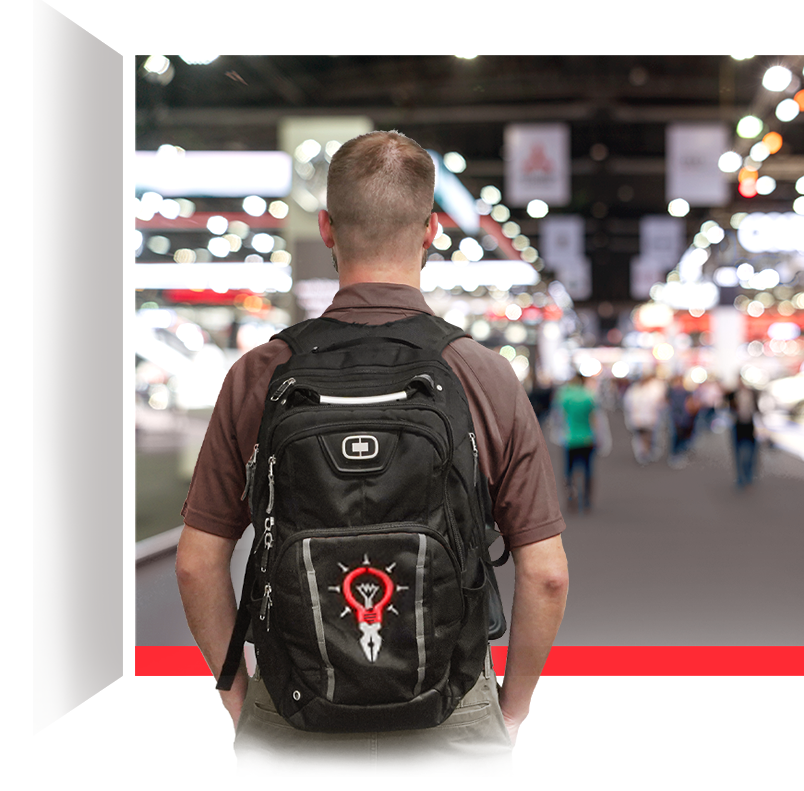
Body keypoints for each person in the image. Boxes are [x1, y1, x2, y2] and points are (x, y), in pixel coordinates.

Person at [174, 131, 569, 767]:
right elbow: (546, 574)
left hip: (291, 715)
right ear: (431, 229)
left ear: (327, 228)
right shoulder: (482, 376)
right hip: (452, 710)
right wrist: (510, 709)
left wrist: (241, 695)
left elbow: (197, 563)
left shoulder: (260, 374)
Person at [554, 371, 598, 511]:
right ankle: (587, 498)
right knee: (587, 469)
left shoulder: (565, 396)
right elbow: (595, 419)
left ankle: (570, 495)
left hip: (570, 438)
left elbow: (559, 418)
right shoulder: (588, 396)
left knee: (569, 469)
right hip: (587, 437)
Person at [725, 377, 760, 488]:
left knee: (750, 454)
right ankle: (741, 477)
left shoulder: (753, 393)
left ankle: (748, 474)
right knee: (738, 454)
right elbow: (727, 404)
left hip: (749, 426)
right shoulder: (733, 394)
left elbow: (757, 410)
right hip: (738, 426)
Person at [623, 374, 664, 465]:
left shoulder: (644, 390)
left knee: (646, 436)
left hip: (646, 418)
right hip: (640, 418)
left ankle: (645, 452)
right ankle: (643, 453)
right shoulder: (635, 391)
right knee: (641, 437)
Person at [666, 375, 698, 468]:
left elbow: (691, 404)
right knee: (675, 435)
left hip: (685, 417)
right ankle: (675, 453)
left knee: (683, 435)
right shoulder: (671, 392)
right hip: (674, 417)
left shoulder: (687, 392)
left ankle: (680, 451)